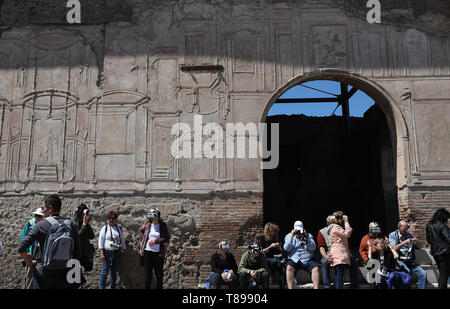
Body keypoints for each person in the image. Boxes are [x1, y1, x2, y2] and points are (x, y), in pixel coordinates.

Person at [18, 195, 82, 289]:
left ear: (50, 208)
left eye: (43, 208)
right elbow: (78, 254)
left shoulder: (40, 225)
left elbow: (21, 247)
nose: (42, 211)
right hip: (64, 275)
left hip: (43, 274)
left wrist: (31, 264)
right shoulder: (71, 225)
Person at [389, 220, 427, 289]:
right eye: (405, 228)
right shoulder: (393, 235)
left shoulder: (409, 234)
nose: (407, 230)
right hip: (400, 260)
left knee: (423, 274)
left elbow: (420, 246)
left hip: (410, 260)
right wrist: (405, 242)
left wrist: (417, 241)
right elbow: (393, 249)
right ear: (399, 228)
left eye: (407, 228)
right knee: (407, 272)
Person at [138, 208, 170, 289]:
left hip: (159, 254)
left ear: (158, 216)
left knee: (159, 275)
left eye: (153, 215)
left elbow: (166, 238)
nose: (151, 218)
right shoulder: (147, 224)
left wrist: (155, 241)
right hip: (147, 252)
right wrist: (145, 239)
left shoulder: (163, 225)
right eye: (150, 215)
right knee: (147, 276)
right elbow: (140, 231)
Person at [283, 220, 320, 289]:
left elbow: (313, 248)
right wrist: (291, 236)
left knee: (315, 268)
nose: (298, 232)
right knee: (289, 267)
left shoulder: (309, 236)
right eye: (297, 230)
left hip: (307, 258)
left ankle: (316, 288)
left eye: (300, 229)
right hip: (294, 258)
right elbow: (286, 248)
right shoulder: (288, 236)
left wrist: (306, 237)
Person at [98, 210, 126, 289]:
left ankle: (112, 287)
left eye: (112, 218)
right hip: (107, 252)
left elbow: (122, 240)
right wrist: (101, 252)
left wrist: (124, 251)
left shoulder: (118, 228)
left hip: (117, 252)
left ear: (116, 219)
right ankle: (101, 287)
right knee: (104, 272)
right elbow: (101, 240)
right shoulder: (105, 228)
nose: (110, 220)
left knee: (114, 272)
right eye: (109, 218)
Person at [327, 211, 353, 289]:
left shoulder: (333, 227)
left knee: (338, 274)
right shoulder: (335, 227)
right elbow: (347, 234)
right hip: (339, 254)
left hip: (338, 253)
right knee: (339, 275)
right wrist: (347, 222)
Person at [426, 208, 450, 289]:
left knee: (442, 273)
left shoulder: (429, 225)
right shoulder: (442, 226)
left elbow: (428, 240)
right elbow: (448, 239)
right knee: (444, 275)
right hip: (445, 254)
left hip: (435, 253)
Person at [20, 207, 44, 289]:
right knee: (30, 279)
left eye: (39, 216)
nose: (37, 217)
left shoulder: (46, 226)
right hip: (31, 257)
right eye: (36, 215)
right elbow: (24, 239)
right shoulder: (30, 225)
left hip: (41, 258)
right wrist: (26, 252)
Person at [256, 223, 286, 288]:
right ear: (268, 230)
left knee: (283, 267)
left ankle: (282, 286)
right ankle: (273, 274)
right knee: (275, 262)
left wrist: (280, 248)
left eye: (275, 231)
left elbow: (280, 251)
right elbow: (260, 251)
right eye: (272, 231)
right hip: (265, 258)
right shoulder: (262, 238)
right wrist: (270, 247)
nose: (274, 232)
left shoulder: (275, 238)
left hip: (276, 257)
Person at [74, 203, 95, 272]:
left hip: (85, 255)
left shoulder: (85, 224)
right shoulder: (75, 224)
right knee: (78, 279)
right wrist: (84, 225)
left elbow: (92, 236)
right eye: (86, 213)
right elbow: (77, 238)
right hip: (79, 256)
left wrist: (87, 224)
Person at [317, 215, 334, 289]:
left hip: (339, 253)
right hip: (328, 253)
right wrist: (326, 256)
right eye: (330, 222)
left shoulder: (340, 230)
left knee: (353, 262)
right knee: (324, 262)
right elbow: (321, 247)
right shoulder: (322, 231)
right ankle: (327, 286)